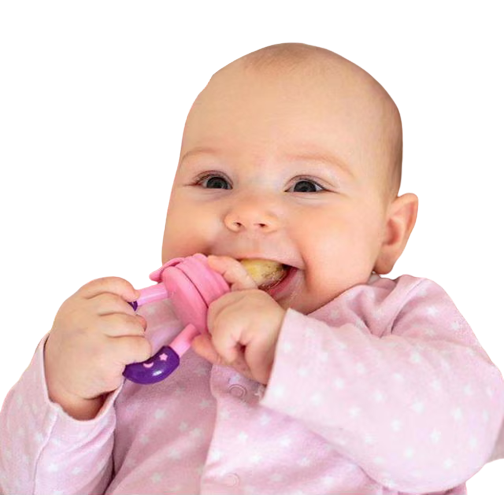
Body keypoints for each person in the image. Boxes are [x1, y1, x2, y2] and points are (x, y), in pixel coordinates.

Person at [1, 42, 503, 495]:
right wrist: (66, 392)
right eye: (215, 179)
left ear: (389, 232)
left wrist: (289, 353)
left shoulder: (397, 316)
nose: (247, 212)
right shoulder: (136, 336)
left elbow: (461, 441)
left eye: (305, 186)